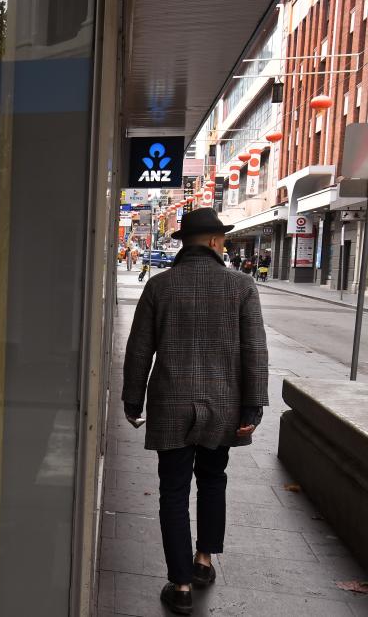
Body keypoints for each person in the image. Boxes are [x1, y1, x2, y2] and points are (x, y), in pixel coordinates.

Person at [122, 207, 268, 615]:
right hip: (222, 404)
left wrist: (132, 399)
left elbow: (139, 351)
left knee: (173, 492)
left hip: (170, 402)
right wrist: (252, 406)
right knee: (213, 480)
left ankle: (181, 584)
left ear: (184, 243)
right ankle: (203, 561)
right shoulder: (241, 287)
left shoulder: (160, 287)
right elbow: (255, 351)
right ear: (217, 242)